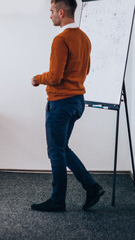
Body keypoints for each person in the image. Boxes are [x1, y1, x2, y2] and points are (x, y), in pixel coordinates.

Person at [31, 0, 105, 212]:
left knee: (55, 152)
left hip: (61, 103)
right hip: (77, 102)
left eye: (52, 11)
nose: (51, 15)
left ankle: (57, 200)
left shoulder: (61, 39)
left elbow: (54, 77)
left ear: (61, 12)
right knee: (62, 148)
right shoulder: (84, 38)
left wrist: (36, 78)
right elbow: (86, 70)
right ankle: (92, 187)